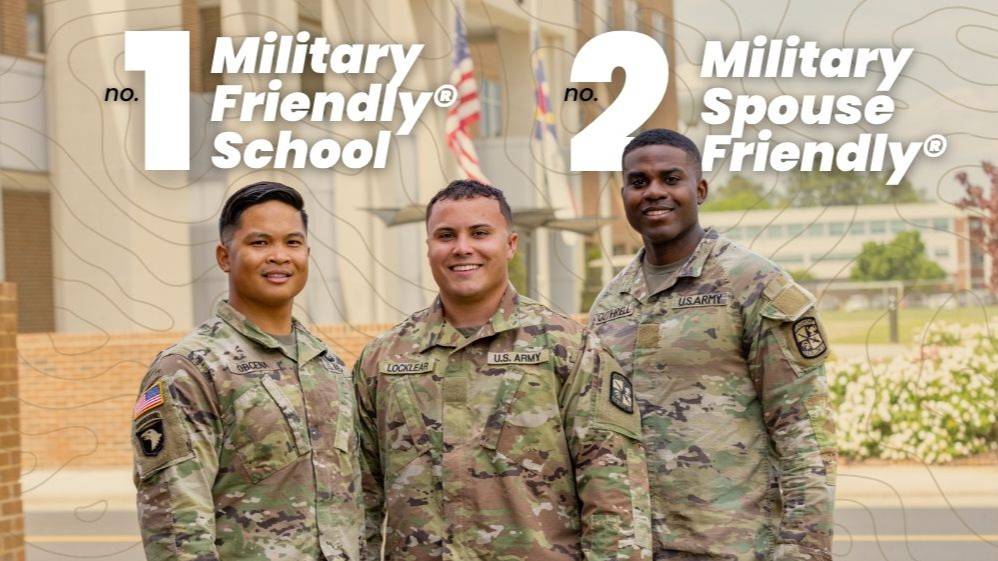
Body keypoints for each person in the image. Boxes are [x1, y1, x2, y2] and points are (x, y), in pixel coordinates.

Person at [353, 180, 652, 561]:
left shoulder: (568, 347)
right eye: (446, 235)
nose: (463, 248)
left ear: (510, 244)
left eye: (480, 233)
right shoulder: (383, 360)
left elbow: (614, 490)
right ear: (428, 248)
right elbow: (359, 498)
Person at [589, 129, 836, 561]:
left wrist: (804, 549)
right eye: (638, 182)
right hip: (633, 548)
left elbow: (804, 432)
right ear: (624, 193)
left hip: (732, 546)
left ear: (699, 189)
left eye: (670, 178)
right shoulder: (611, 304)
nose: (654, 192)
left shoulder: (754, 283)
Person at [131, 182, 363, 560]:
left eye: (292, 242)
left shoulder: (327, 366)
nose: (279, 256)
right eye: (259, 243)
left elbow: (353, 503)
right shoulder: (190, 369)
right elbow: (175, 525)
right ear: (225, 256)